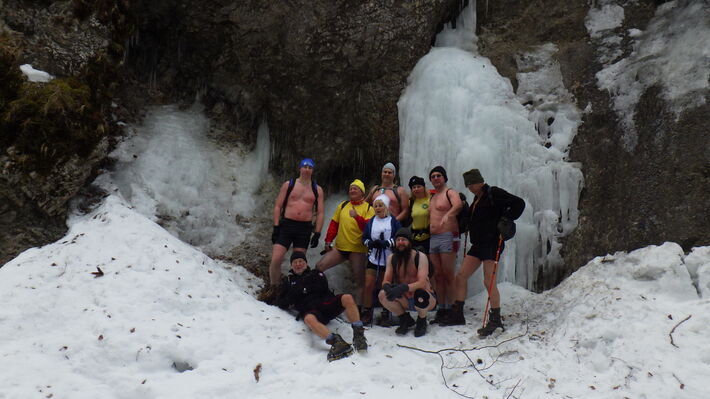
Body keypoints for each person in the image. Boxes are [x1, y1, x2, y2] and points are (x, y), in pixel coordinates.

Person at [443, 169, 525, 336]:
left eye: (472, 184)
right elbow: (474, 220)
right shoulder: (476, 200)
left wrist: (506, 219)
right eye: (468, 185)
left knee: (489, 281)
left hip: (492, 243)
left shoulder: (493, 192)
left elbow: (519, 203)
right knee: (461, 276)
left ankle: (495, 319)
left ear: (480, 181)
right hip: (478, 244)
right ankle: (458, 313)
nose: (470, 187)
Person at [277, 252, 367, 361]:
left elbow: (321, 286)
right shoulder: (288, 282)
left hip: (326, 305)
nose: (298, 264)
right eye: (295, 262)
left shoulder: (316, 273)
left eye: (301, 261)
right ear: (291, 266)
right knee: (309, 319)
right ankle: (336, 342)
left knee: (347, 297)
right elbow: (282, 302)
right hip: (310, 311)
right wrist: (296, 293)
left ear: (306, 263)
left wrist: (301, 289)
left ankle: (358, 334)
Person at [259, 158, 325, 303]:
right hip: (287, 225)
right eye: (305, 167)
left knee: (299, 263)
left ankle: (298, 289)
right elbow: (278, 206)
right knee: (276, 259)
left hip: (304, 228)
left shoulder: (317, 189)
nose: (307, 169)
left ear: (313, 170)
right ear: (300, 168)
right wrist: (276, 226)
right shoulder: (289, 185)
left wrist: (317, 232)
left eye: (310, 167)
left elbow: (320, 212)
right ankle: (274, 288)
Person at [316, 179, 375, 306]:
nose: (352, 190)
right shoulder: (343, 205)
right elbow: (334, 224)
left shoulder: (368, 208)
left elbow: (369, 229)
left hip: (357, 250)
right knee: (319, 267)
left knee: (360, 281)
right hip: (340, 248)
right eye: (351, 188)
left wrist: (357, 217)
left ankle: (359, 309)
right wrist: (328, 241)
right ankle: (322, 296)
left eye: (355, 188)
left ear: (362, 193)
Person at [378, 228, 437, 337]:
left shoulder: (420, 257)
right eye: (398, 240)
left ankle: (422, 320)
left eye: (403, 240)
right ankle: (405, 319)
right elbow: (386, 279)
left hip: (425, 299)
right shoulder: (392, 258)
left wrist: (401, 288)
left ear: (409, 242)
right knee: (382, 295)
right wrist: (388, 288)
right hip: (405, 299)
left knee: (421, 293)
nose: (400, 242)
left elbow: (421, 283)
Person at [427, 166, 462, 324]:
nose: (435, 178)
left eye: (438, 175)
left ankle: (455, 310)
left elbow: (458, 205)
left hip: (448, 236)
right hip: (433, 238)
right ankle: (442, 308)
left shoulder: (450, 192)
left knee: (449, 275)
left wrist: (448, 215)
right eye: (433, 176)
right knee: (437, 275)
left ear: (444, 178)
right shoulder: (433, 197)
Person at [361, 194, 401, 325]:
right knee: (368, 285)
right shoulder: (371, 222)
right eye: (376, 206)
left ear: (386, 207)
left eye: (380, 205)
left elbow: (399, 238)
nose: (378, 208)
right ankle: (367, 311)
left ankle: (386, 311)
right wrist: (370, 244)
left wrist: (387, 243)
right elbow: (364, 238)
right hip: (374, 258)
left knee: (385, 286)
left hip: (388, 259)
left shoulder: (393, 221)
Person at [406, 176, 431, 254]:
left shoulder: (430, 200)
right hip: (415, 238)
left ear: (423, 187)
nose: (416, 189)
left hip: (429, 238)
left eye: (419, 186)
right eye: (414, 187)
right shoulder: (411, 202)